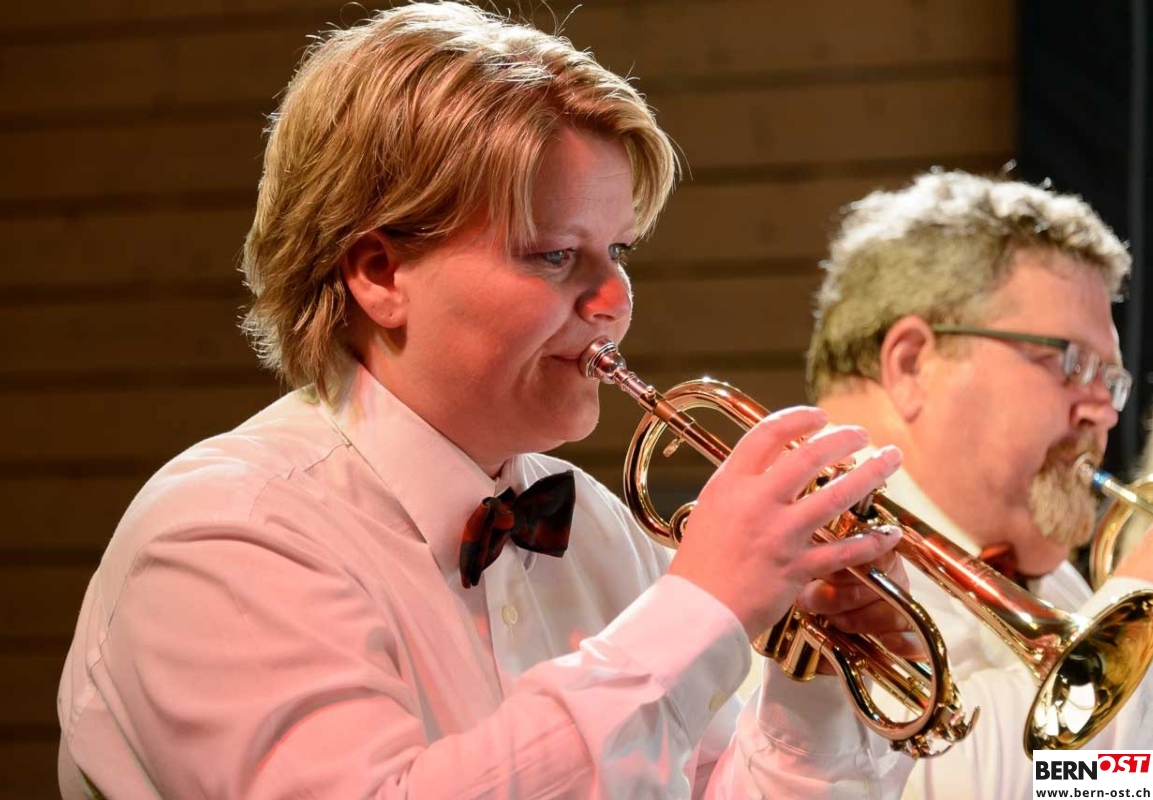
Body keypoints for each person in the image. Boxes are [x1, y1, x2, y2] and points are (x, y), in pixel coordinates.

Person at [56, 3, 921, 797]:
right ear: (380, 273)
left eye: (619, 251)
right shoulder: (225, 536)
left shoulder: (594, 526)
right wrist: (700, 608)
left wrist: (812, 682)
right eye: (554, 255)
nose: (613, 301)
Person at [805, 169, 1153, 800]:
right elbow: (925, 784)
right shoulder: (789, 551)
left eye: (1112, 380)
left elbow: (1091, 786)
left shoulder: (1052, 581)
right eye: (1072, 362)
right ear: (912, 364)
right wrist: (1141, 597)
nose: (1103, 411)